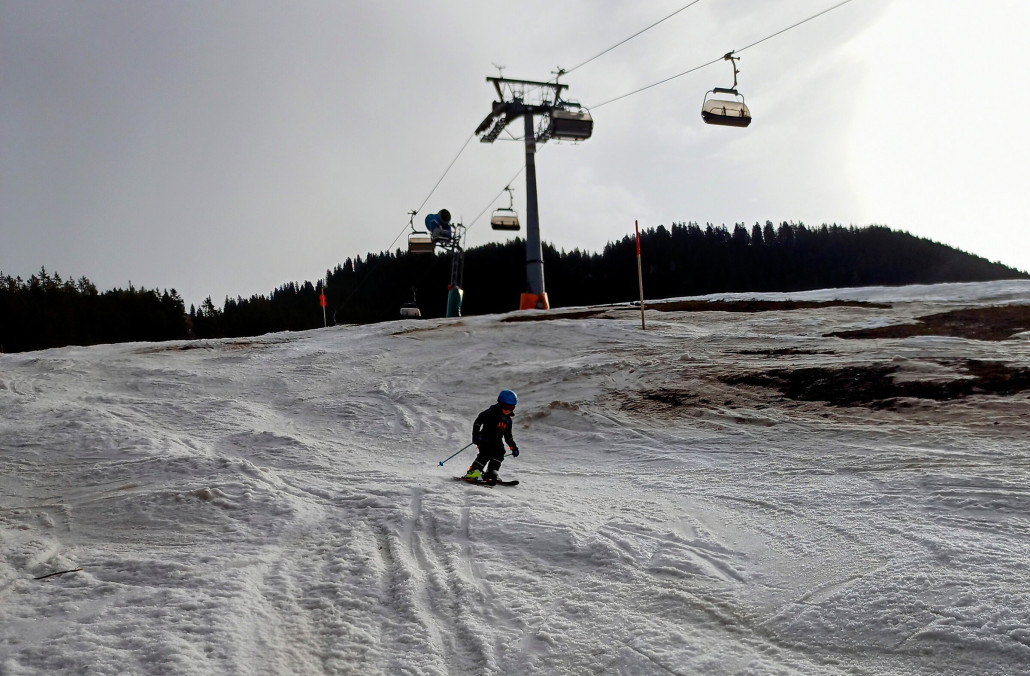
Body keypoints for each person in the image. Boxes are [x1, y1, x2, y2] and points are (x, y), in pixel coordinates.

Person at [465, 390, 520, 483]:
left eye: (511, 408)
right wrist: (476, 436)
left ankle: (491, 472)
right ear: (500, 404)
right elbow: (478, 421)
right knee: (486, 453)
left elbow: (508, 437)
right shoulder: (491, 413)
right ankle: (473, 471)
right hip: (484, 438)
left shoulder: (507, 421)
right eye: (506, 407)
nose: (508, 410)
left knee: (500, 452)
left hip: (497, 440)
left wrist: (514, 447)